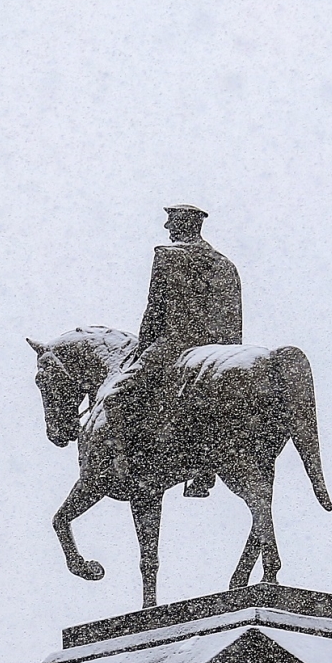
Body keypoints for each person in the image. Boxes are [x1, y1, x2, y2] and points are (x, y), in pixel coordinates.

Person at [100, 204, 241, 492]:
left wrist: (142, 349)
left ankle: (125, 465)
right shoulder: (225, 264)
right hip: (218, 352)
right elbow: (233, 316)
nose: (166, 228)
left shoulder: (167, 257)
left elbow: (155, 310)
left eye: (170, 221)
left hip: (173, 345)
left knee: (115, 397)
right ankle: (205, 473)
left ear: (182, 225)